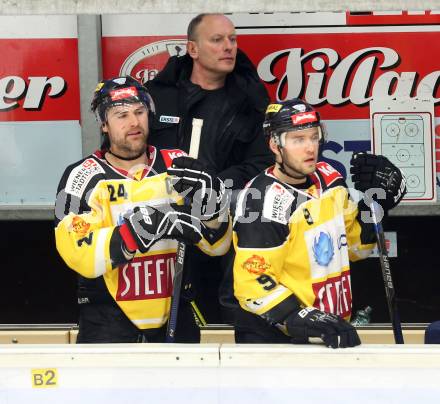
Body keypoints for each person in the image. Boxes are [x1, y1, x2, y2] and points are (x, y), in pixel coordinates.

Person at [54, 76, 231, 343]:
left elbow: (218, 245)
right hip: (108, 321)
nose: (134, 122)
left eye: (139, 112)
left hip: (175, 313)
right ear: (104, 124)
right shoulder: (81, 176)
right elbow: (75, 250)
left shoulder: (180, 165)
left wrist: (211, 203)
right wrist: (133, 233)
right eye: (121, 115)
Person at [232, 98, 407, 348]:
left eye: (314, 137)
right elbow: (253, 283)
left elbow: (355, 247)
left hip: (328, 329)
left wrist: (376, 206)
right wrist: (300, 316)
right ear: (275, 144)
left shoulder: (330, 178)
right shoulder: (263, 200)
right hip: (277, 339)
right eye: (298, 139)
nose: (310, 148)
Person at [146, 13, 273, 328]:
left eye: (232, 39)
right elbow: (132, 153)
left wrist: (215, 185)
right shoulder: (157, 95)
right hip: (164, 224)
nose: (228, 47)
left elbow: (261, 164)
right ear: (192, 49)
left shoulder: (251, 100)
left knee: (225, 318)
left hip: (225, 225)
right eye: (217, 40)